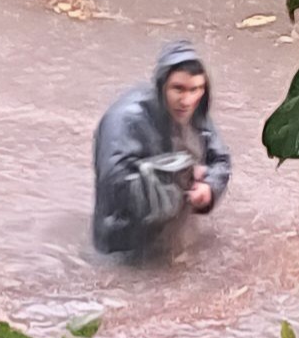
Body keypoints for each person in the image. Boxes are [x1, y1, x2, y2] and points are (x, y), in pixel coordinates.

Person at [92, 40, 231, 258]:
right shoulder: (124, 119)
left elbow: (220, 160)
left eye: (195, 89)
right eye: (178, 89)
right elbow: (114, 184)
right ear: (162, 85)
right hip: (123, 245)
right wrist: (179, 177)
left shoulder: (196, 113)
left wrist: (209, 188)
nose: (186, 100)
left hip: (172, 235)